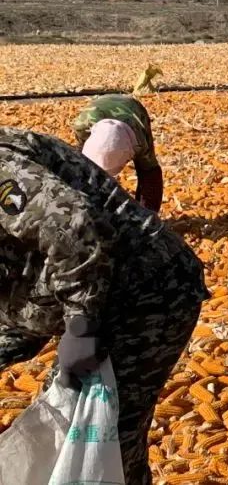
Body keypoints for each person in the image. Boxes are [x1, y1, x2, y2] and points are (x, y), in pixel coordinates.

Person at [0, 126, 208, 485]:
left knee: (100, 435)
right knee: (70, 422)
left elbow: (75, 225)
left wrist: (80, 327)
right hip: (74, 296)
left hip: (143, 292)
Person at [72, 93, 163, 211]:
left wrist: (149, 214)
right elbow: (80, 162)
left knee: (146, 168)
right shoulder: (81, 126)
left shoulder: (140, 142)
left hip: (132, 107)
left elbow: (151, 175)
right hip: (99, 106)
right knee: (82, 169)